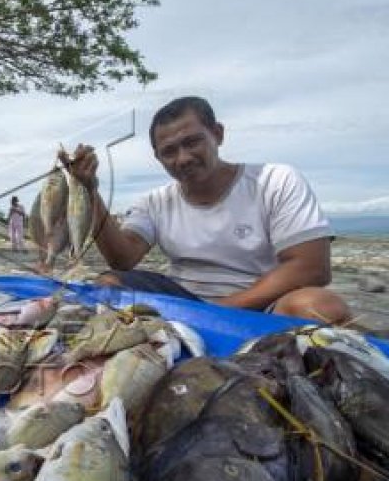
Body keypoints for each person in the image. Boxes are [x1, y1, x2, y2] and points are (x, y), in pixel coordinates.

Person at [64, 96, 351, 324]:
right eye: (169, 151)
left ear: (218, 134)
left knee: (321, 307)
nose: (183, 158)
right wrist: (90, 190)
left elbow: (311, 267)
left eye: (192, 142)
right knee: (108, 286)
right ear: (158, 157)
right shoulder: (154, 201)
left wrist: (217, 311)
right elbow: (123, 259)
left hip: (263, 305)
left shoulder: (275, 180)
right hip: (183, 301)